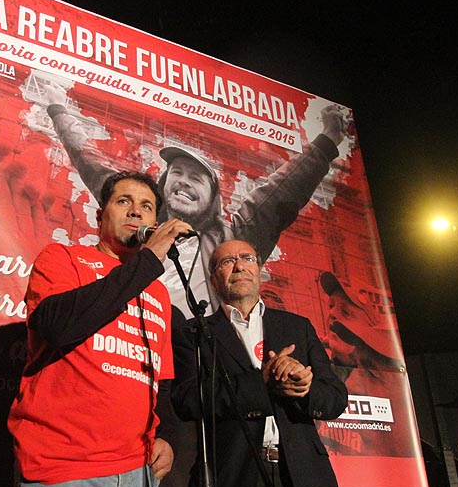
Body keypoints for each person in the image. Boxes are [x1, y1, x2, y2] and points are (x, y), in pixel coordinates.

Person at [6, 170, 194, 487]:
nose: (136, 212)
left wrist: (165, 436)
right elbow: (57, 326)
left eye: (147, 207)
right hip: (63, 467)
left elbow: (159, 380)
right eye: (124, 201)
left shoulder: (158, 293)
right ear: (100, 214)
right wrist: (145, 264)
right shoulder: (63, 258)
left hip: (137, 476)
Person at [43, 82, 348, 315]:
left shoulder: (232, 236)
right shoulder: (137, 222)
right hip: (133, 352)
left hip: (197, 363)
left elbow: (283, 191)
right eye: (177, 173)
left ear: (213, 196)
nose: (184, 183)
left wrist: (327, 140)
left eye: (197, 177)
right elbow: (91, 162)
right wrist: (57, 109)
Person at [171, 239, 349, 487]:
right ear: (213, 277)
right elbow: (187, 400)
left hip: (301, 486)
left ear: (260, 269)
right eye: (226, 262)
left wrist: (303, 388)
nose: (238, 266)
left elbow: (335, 398)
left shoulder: (297, 327)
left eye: (246, 258)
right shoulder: (194, 334)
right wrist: (260, 383)